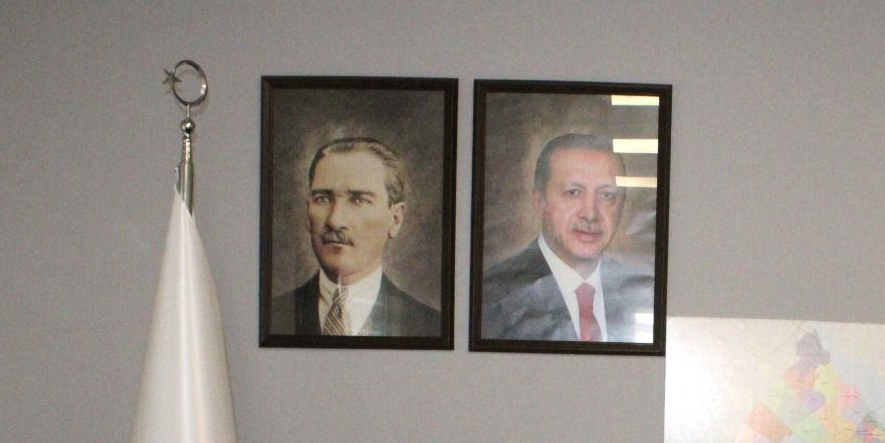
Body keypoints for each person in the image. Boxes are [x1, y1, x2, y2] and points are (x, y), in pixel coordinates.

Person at [479, 133, 654, 344]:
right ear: (540, 201)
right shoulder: (490, 297)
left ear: (622, 204)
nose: (590, 214)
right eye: (573, 192)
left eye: (606, 195)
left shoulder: (646, 292)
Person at [271, 136, 441, 338]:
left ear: (395, 219)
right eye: (323, 199)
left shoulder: (430, 327)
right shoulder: (271, 317)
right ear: (307, 213)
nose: (335, 220)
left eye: (359, 200)